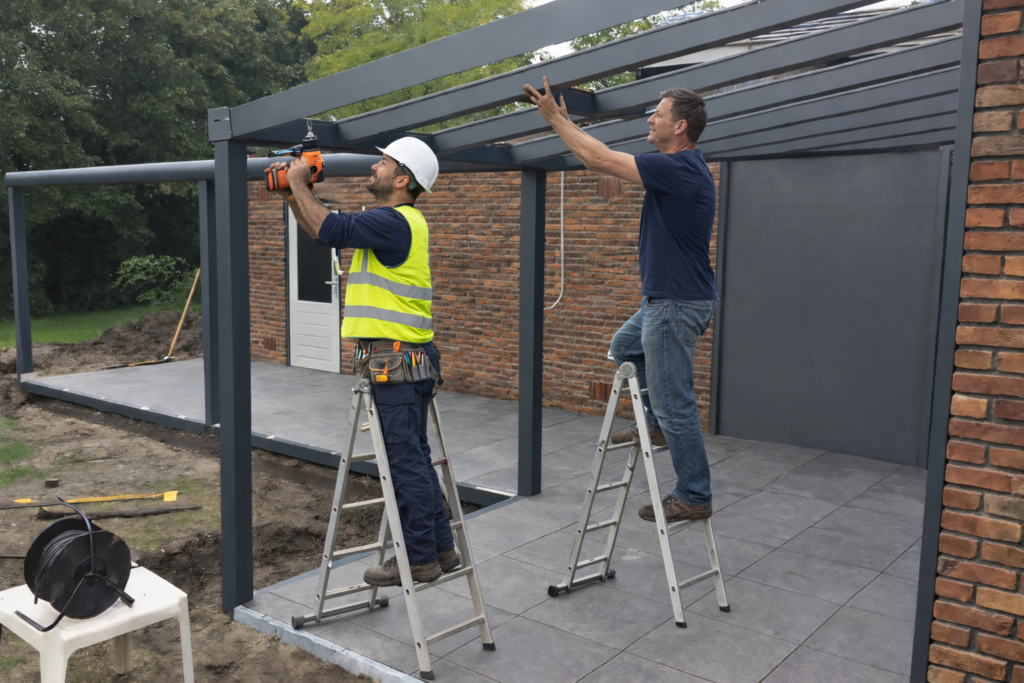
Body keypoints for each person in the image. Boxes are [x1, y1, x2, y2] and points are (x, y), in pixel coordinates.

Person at [523, 77, 718, 523]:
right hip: (665, 301)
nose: (651, 119)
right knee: (624, 347)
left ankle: (694, 494)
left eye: (659, 114)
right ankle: (656, 427)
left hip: (674, 303)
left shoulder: (681, 167)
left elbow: (598, 157)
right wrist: (565, 126)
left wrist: (554, 118)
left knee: (676, 402)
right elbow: (595, 159)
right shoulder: (680, 168)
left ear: (681, 126)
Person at [269, 137, 458, 586]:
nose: (374, 166)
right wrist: (294, 194)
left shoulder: (393, 221)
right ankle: (441, 549)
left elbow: (333, 229)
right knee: (415, 456)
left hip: (396, 361)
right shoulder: (400, 222)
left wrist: (299, 182)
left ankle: (418, 560)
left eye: (384, 162)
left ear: (402, 179)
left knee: (402, 461)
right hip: (407, 359)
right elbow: (321, 232)